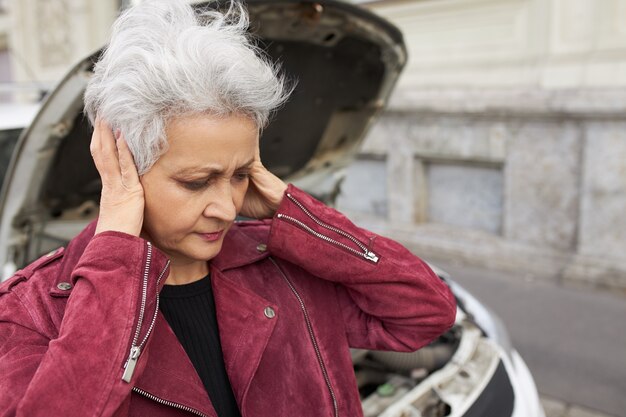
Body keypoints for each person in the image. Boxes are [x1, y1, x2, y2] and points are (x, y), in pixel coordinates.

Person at [0, 1, 456, 416]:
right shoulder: (31, 310)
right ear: (124, 169)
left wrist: (295, 210)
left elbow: (426, 312)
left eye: (239, 175)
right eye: (197, 182)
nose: (225, 208)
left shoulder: (281, 266)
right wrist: (116, 243)